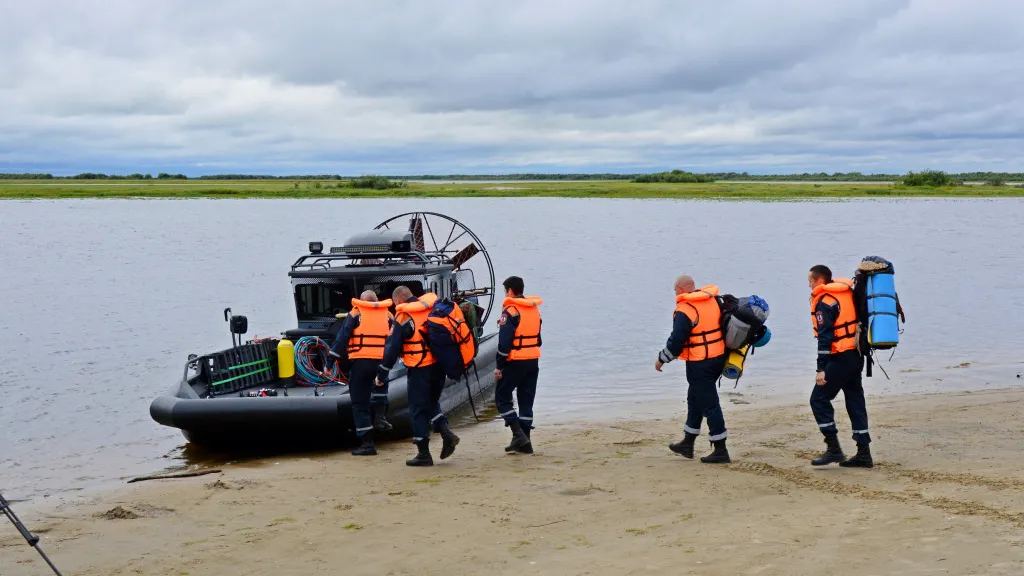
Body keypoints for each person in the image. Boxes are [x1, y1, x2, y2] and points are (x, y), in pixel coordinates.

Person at [378, 285, 460, 466]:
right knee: (431, 402)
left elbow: (392, 348)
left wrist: (382, 373)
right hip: (439, 366)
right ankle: (447, 435)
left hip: (420, 367)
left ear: (398, 301)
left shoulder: (403, 316)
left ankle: (423, 454)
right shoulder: (431, 307)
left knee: (417, 409)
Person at [656, 275, 730, 464]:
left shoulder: (685, 309)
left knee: (709, 403)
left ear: (680, 289)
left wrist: (661, 359)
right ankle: (688, 443)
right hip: (718, 357)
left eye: (674, 290)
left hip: (700, 362)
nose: (675, 293)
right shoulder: (711, 300)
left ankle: (721, 449)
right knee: (695, 397)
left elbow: (677, 341)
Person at [808, 265, 873, 468]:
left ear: (819, 281)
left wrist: (820, 369)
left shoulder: (825, 302)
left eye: (810, 281)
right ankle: (864, 453)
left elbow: (825, 338)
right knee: (855, 399)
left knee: (818, 399)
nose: (809, 285)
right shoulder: (847, 293)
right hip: (856, 354)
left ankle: (833, 449)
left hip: (841, 357)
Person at [328, 291, 394, 456]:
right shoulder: (388, 315)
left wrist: (329, 362)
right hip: (382, 363)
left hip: (361, 363)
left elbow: (342, 338)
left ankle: (367, 444)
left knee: (359, 403)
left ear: (362, 301)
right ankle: (380, 418)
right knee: (380, 391)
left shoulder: (356, 313)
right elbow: (396, 339)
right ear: (377, 300)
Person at [494, 276, 542, 454]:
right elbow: (539, 337)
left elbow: (504, 343)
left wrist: (499, 366)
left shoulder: (511, 311)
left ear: (510, 291)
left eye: (505, 291)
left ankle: (518, 434)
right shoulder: (533, 309)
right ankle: (526, 443)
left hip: (515, 361)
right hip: (533, 360)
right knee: (526, 401)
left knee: (501, 398)